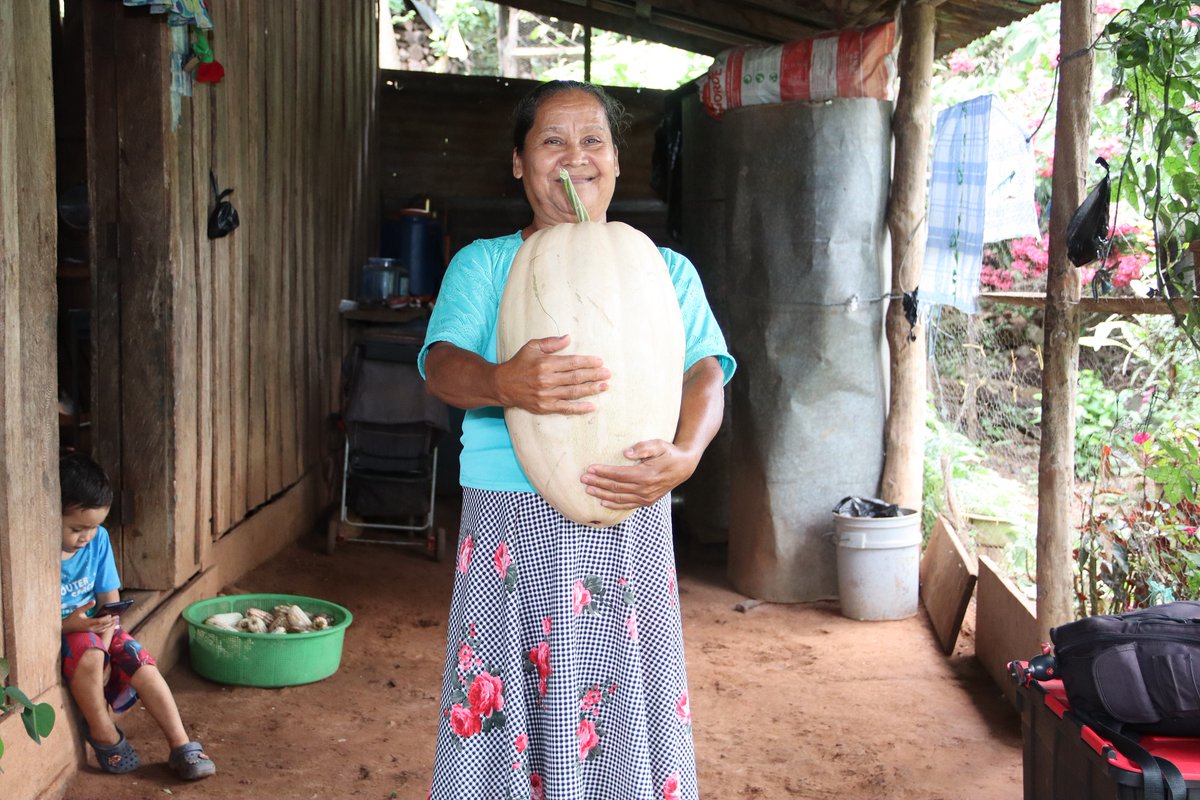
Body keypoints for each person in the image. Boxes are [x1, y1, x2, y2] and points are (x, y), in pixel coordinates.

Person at [420, 80, 735, 800]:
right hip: (510, 514)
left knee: (618, 700)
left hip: (630, 504)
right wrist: (505, 383)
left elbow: (706, 373)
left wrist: (685, 455)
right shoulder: (484, 263)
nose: (576, 157)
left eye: (593, 140)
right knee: (512, 701)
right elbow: (439, 368)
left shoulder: (663, 268)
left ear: (618, 161)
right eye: (552, 141)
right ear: (518, 163)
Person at [59, 453, 216, 780]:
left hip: (95, 628)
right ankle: (104, 732)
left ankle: (181, 744)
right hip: (61, 633)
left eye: (94, 527)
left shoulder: (97, 541)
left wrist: (106, 636)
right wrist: (76, 632)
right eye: (77, 528)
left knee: (140, 660)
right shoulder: (37, 550)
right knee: (88, 655)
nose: (86, 536)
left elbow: (108, 600)